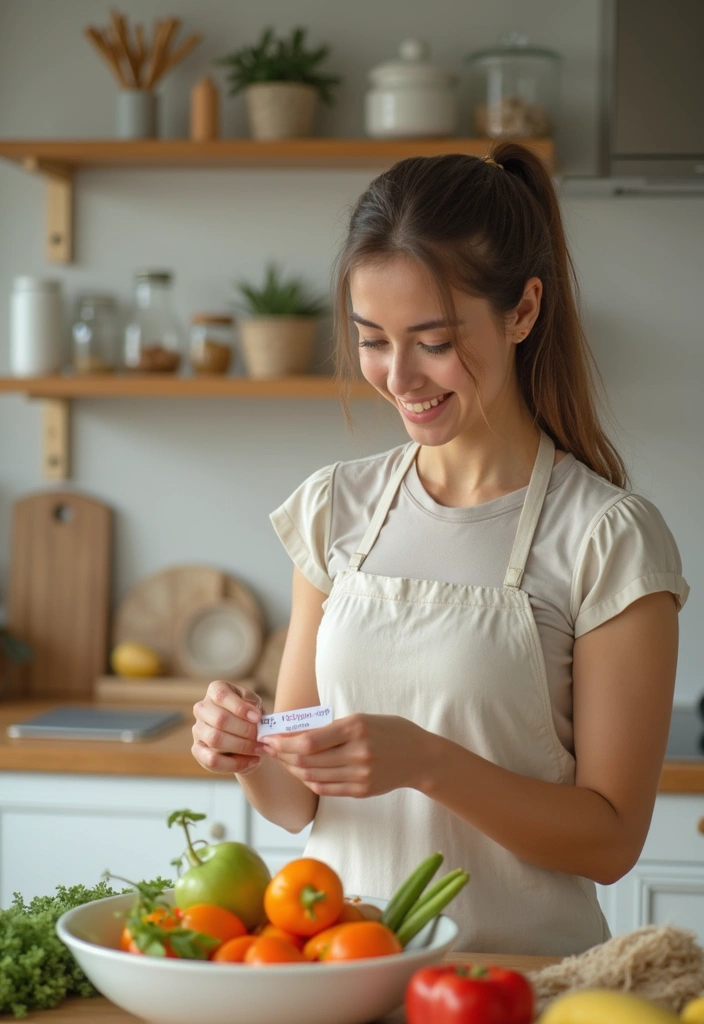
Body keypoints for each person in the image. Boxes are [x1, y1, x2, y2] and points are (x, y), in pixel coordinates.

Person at [191, 142, 689, 956]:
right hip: (340, 974)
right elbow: (295, 802)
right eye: (373, 339)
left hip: (517, 989)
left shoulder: (608, 538)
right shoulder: (335, 510)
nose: (399, 377)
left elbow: (610, 842)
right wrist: (244, 749)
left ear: (523, 311)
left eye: (432, 340)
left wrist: (427, 761)